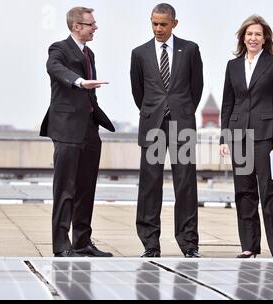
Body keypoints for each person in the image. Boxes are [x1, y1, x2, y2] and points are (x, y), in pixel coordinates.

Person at [40, 7, 115, 257]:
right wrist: (80, 82)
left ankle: (82, 242)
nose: (95, 28)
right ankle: (61, 246)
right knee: (65, 189)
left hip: (89, 130)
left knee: (86, 188)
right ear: (76, 27)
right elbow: (55, 69)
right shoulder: (58, 49)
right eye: (91, 24)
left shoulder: (89, 53)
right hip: (66, 129)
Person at [130, 3, 203, 258]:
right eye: (154, 23)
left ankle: (189, 244)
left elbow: (196, 89)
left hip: (182, 127)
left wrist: (180, 111)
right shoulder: (139, 53)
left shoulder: (190, 50)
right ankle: (150, 244)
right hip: (152, 127)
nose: (158, 28)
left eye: (163, 24)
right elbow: (138, 92)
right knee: (150, 185)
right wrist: (156, 111)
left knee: (185, 185)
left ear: (174, 23)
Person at [219, 15, 273, 259]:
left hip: (266, 136)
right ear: (243, 37)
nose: (253, 38)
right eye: (249, 34)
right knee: (244, 192)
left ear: (265, 37)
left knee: (269, 190)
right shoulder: (233, 65)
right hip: (239, 135)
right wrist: (223, 138)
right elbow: (227, 104)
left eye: (258, 34)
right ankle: (249, 245)